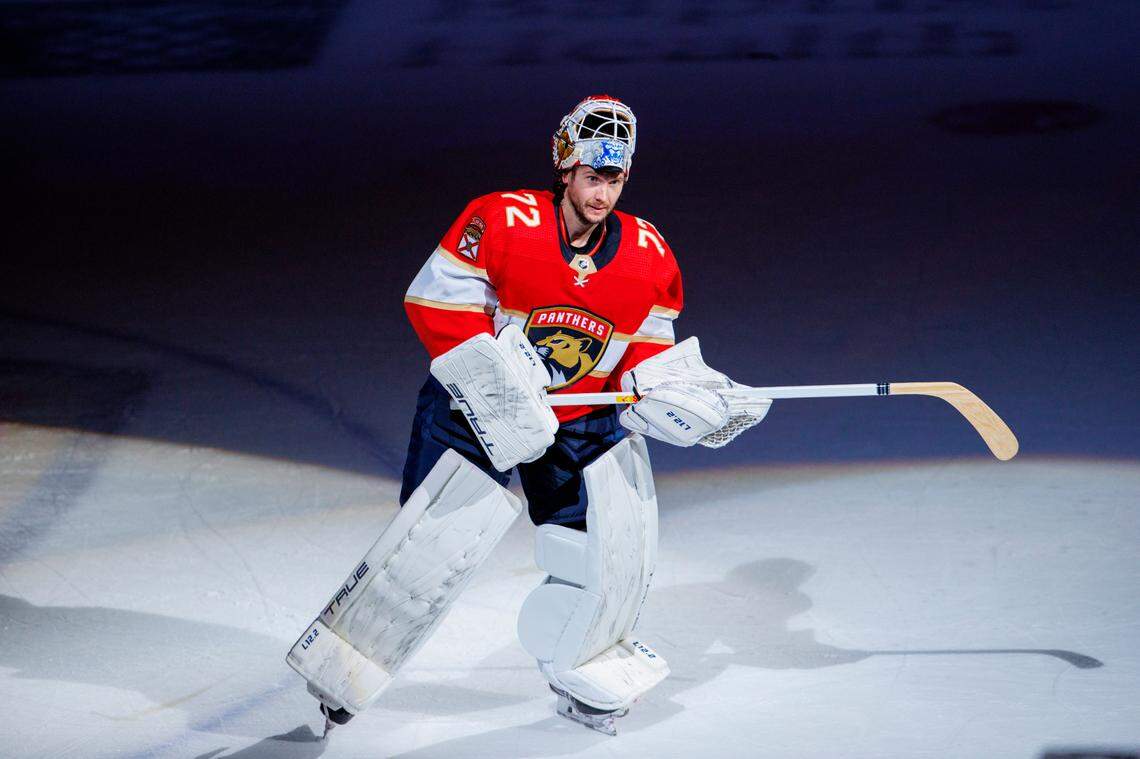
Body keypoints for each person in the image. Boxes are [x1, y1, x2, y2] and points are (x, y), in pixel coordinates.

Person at [289, 95, 756, 737]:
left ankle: (584, 670)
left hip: (582, 418)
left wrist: (666, 386)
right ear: (565, 168)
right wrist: (503, 386)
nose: (602, 192)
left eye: (614, 178)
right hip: (476, 410)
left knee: (604, 547)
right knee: (432, 541)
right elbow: (438, 303)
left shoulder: (648, 252)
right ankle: (348, 665)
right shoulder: (501, 219)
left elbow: (646, 345)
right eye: (593, 175)